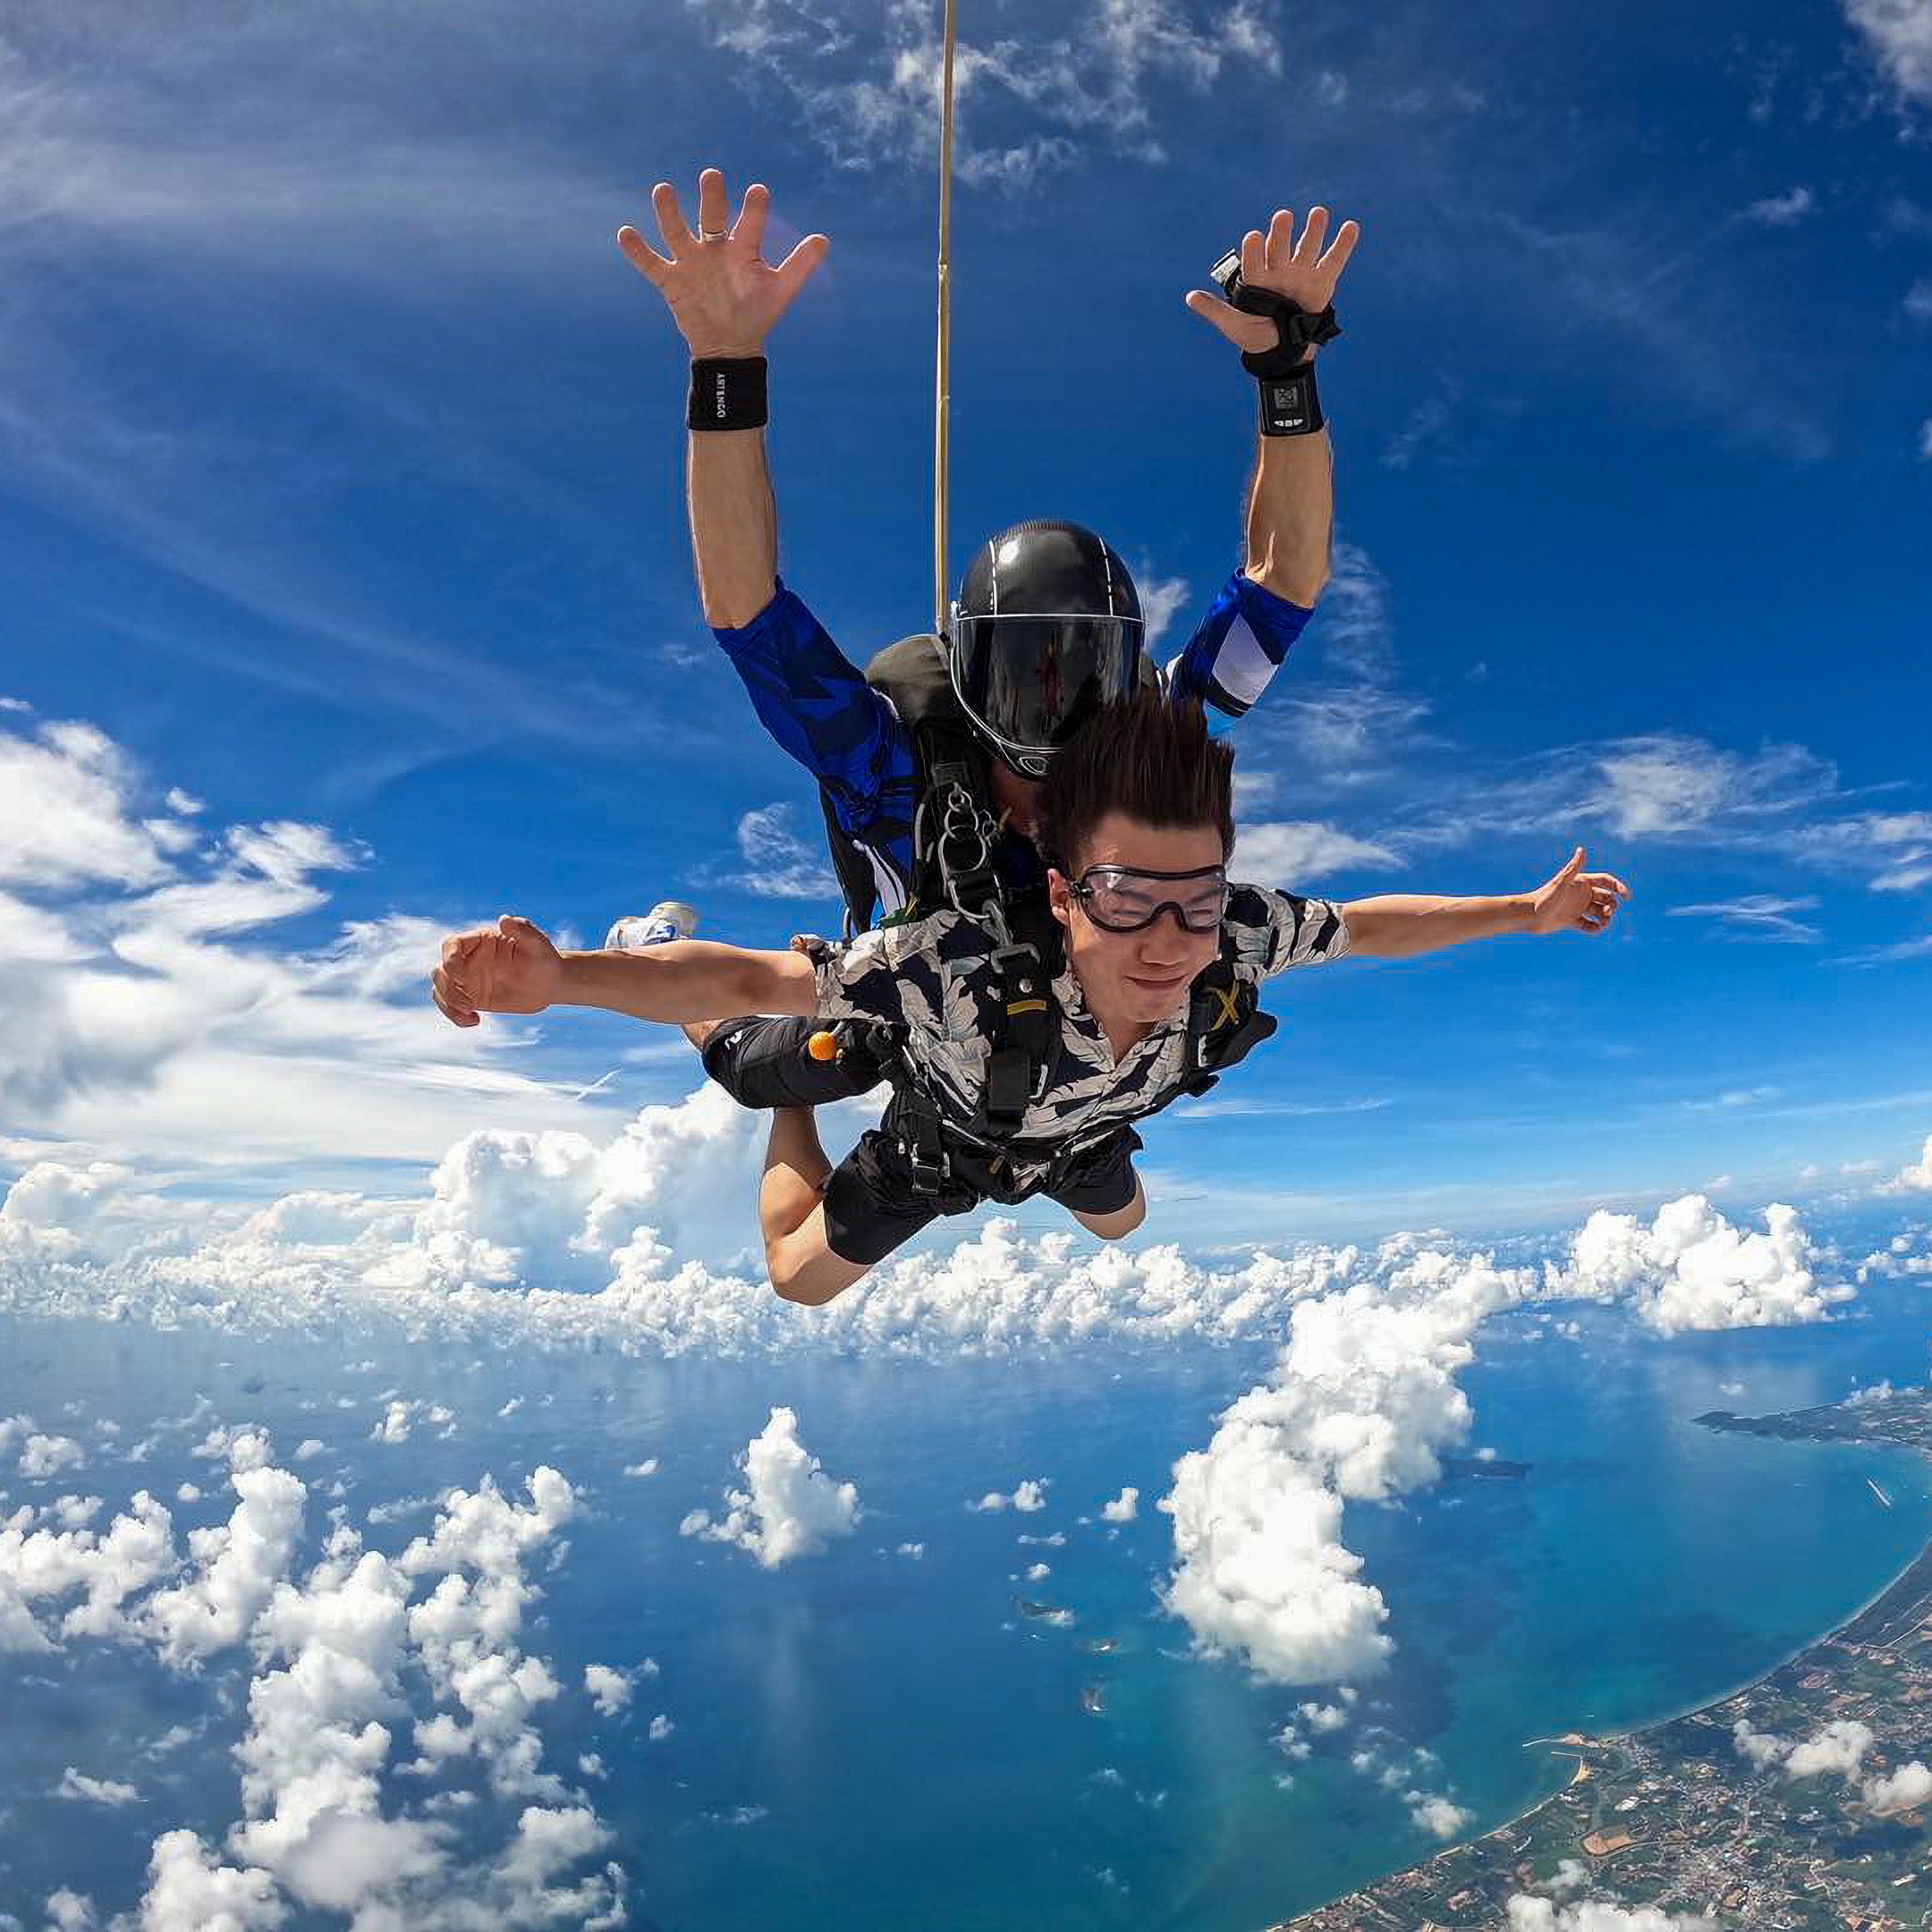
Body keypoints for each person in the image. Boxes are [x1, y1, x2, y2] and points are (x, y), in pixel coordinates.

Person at [432, 690, 1631, 1308]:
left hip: (1072, 1131)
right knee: (772, 1157)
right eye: (1128, 901)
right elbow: (746, 979)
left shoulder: (1235, 933)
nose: (1169, 944)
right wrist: (570, 979)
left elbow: (1370, 926)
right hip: (943, 1122)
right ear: (1064, 896)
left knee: (1125, 1222)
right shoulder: (952, 965)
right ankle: (778, 1083)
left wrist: (1523, 912)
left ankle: (944, 1107)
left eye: (1195, 903)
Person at [614, 167, 1361, 935]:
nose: (1051, 710)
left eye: (1083, 679)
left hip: (1093, 1001)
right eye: (1023, 675)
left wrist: (1287, 375)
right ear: (964, 664)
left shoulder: (1147, 727)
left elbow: (1285, 580)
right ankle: (651, 947)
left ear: (1121, 678)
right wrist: (725, 363)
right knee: (751, 1012)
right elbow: (747, 613)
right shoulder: (892, 762)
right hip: (914, 1003)